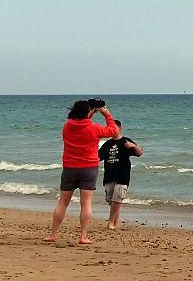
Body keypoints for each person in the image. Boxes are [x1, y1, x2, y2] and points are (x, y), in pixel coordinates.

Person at [44, 100, 116, 245]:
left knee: (63, 201)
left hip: (70, 167)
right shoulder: (94, 128)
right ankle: (83, 236)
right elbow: (113, 131)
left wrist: (89, 115)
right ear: (87, 112)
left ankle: (52, 234)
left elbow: (80, 125)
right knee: (86, 202)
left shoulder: (67, 126)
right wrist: (107, 115)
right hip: (89, 167)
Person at [98, 120, 143, 230]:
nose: (112, 130)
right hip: (109, 176)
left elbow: (139, 153)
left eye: (114, 127)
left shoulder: (125, 141)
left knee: (117, 199)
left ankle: (110, 222)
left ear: (119, 128)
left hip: (122, 176)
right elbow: (98, 157)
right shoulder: (107, 144)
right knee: (110, 200)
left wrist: (133, 146)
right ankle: (116, 223)